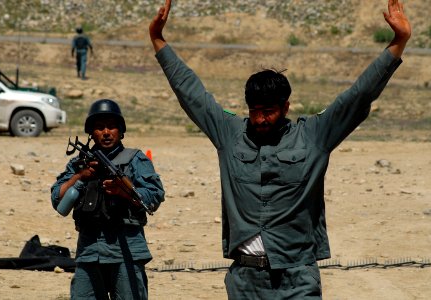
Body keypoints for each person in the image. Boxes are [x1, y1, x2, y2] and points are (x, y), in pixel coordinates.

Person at [149, 0, 411, 299]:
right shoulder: (230, 134)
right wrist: (158, 40)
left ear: (286, 106)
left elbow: (358, 95)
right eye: (254, 110)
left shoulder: (314, 136)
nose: (260, 119)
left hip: (297, 278)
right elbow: (191, 92)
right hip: (244, 280)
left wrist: (398, 42)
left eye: (269, 111)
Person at [51, 99, 165, 299]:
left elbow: (154, 197)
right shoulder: (79, 163)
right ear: (91, 133)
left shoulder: (135, 159)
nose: (106, 132)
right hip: (89, 251)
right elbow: (56, 199)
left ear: (121, 132)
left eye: (111, 126)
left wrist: (124, 192)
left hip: (126, 250)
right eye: (99, 127)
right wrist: (81, 177)